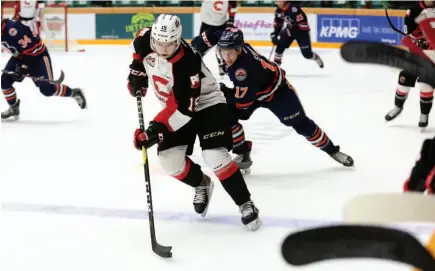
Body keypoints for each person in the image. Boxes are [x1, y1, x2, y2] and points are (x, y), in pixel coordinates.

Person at [128, 14, 261, 231]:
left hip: (206, 105)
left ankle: (245, 203)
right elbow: (138, 55)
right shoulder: (145, 38)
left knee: (215, 156)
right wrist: (136, 74)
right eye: (159, 43)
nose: (163, 48)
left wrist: (154, 132)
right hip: (176, 108)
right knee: (169, 161)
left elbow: (183, 109)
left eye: (169, 44)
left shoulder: (187, 62)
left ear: (178, 40)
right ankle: (201, 183)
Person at [192, 27, 354, 174]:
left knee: (300, 124)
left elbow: (243, 103)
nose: (226, 57)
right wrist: (195, 47)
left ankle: (332, 150)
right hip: (253, 90)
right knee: (226, 116)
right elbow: (215, 33)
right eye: (223, 51)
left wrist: (223, 91)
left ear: (239, 50)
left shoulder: (243, 71)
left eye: (230, 53)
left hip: (277, 92)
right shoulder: (231, 43)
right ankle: (242, 153)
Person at [1, 18, 86, 121]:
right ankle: (14, 108)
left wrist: (24, 67)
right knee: (4, 81)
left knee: (47, 90)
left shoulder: (13, 30)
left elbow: (32, 48)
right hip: (20, 56)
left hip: (37, 56)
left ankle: (74, 92)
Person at [385, 0, 434, 129]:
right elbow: (410, 32)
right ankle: (397, 107)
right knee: (404, 77)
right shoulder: (413, 10)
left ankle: (424, 115)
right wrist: (419, 42)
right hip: (418, 53)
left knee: (426, 83)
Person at [271, 1, 323, 68]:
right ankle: (276, 67)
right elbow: (278, 23)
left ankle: (316, 58)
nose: (277, 3)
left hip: (302, 32)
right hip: (290, 30)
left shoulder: (294, 8)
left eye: (279, 1)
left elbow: (300, 22)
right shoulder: (278, 11)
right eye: (277, 1)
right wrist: (275, 34)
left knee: (307, 54)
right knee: (280, 46)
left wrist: (284, 32)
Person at [199, 0, 238, 76]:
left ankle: (223, 65)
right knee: (200, 47)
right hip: (206, 23)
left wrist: (231, 20)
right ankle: (196, 65)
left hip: (221, 24)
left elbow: (233, 6)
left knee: (223, 47)